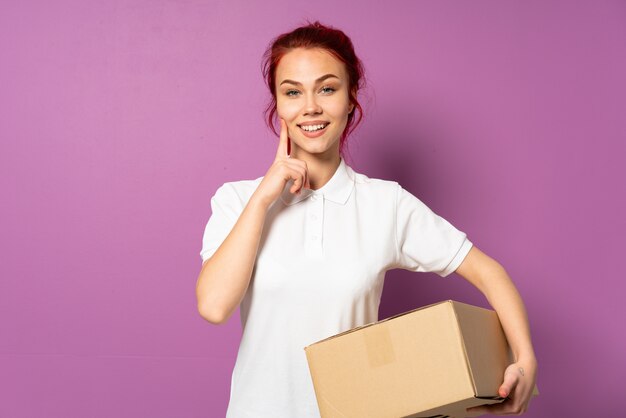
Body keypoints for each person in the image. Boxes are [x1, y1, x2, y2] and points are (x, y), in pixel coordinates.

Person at [196, 20, 537, 418]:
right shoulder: (237, 200)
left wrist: (526, 359)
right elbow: (214, 306)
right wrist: (263, 200)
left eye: (327, 88)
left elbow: (489, 273)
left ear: (351, 95)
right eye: (293, 92)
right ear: (278, 102)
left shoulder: (385, 204)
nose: (311, 107)